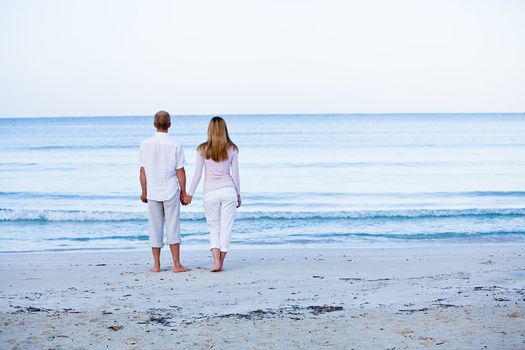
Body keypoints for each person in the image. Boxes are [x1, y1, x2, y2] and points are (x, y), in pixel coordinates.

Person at [185, 116, 241, 272]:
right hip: (228, 190)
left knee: (214, 227)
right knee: (226, 227)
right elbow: (235, 175)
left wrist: (190, 194)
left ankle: (216, 261)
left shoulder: (202, 149)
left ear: (209, 130)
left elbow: (197, 174)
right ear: (224, 130)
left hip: (210, 192)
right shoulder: (232, 148)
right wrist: (238, 195)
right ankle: (220, 262)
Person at [139, 111, 190, 273]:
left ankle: (156, 265)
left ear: (154, 124)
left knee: (154, 228)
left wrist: (143, 192)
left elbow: (143, 171)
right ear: (169, 124)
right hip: (170, 191)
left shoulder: (145, 144)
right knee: (173, 226)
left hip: (153, 191)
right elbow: (180, 172)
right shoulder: (175, 144)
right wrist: (184, 192)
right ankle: (176, 265)